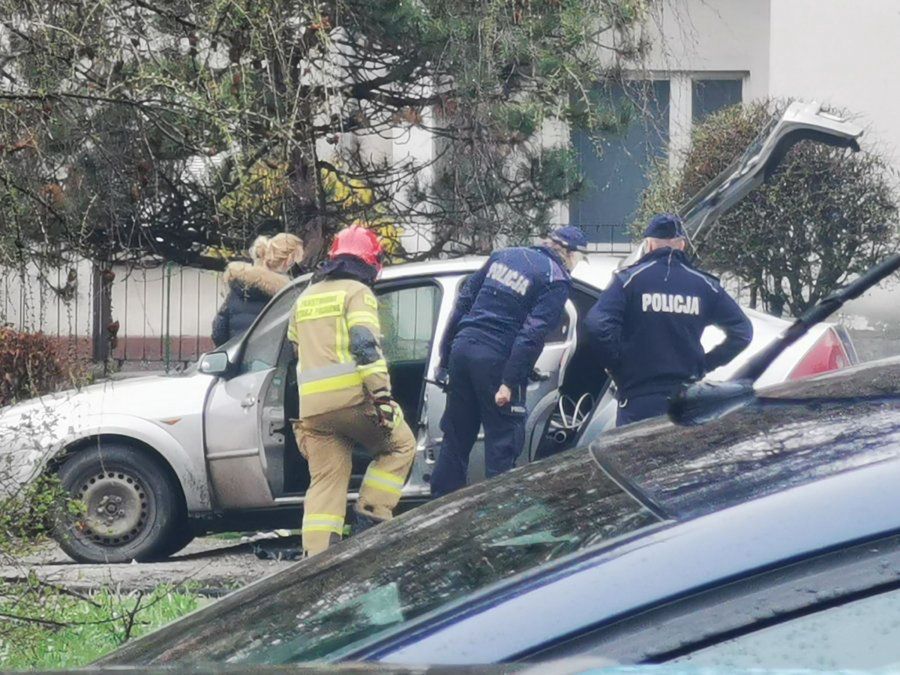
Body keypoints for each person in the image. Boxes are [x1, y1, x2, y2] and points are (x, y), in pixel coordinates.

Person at [430, 226, 588, 498]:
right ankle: (497, 517)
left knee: (455, 440)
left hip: (463, 350)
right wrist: (508, 382)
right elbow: (532, 333)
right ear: (570, 254)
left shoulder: (503, 256)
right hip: (496, 361)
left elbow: (463, 303)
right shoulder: (556, 278)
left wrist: (445, 360)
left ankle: (439, 511)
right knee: (502, 445)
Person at [288, 225, 415, 557]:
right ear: (370, 262)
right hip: (352, 401)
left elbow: (296, 351)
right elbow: (364, 345)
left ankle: (317, 557)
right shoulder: (357, 293)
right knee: (400, 446)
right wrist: (383, 397)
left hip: (313, 410)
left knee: (327, 480)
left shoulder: (304, 297)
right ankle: (371, 517)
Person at [585, 213, 753, 427]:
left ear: (650, 245)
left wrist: (617, 364)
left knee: (634, 458)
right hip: (685, 401)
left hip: (639, 397)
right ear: (681, 245)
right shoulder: (705, 285)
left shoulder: (629, 281)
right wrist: (704, 364)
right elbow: (743, 332)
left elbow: (596, 324)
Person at [211, 233, 304, 346]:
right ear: (289, 260)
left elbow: (218, 331)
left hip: (237, 357)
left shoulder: (240, 286)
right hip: (268, 361)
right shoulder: (288, 295)